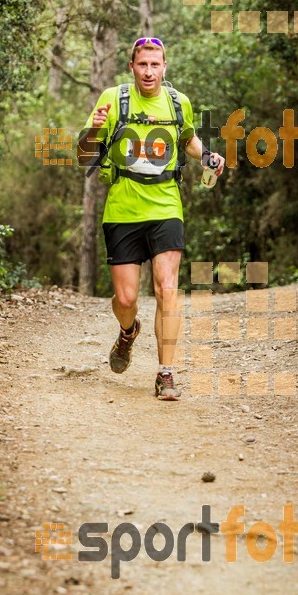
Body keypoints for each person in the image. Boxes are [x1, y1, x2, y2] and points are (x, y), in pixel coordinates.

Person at [77, 37, 225, 400]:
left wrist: (207, 155)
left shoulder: (178, 102)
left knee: (167, 288)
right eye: (142, 64)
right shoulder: (113, 99)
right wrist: (95, 128)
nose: (149, 71)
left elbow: (187, 138)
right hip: (123, 208)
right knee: (126, 299)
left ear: (164, 67)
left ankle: (166, 373)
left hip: (165, 206)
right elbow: (83, 156)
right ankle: (128, 332)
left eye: (155, 64)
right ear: (132, 67)